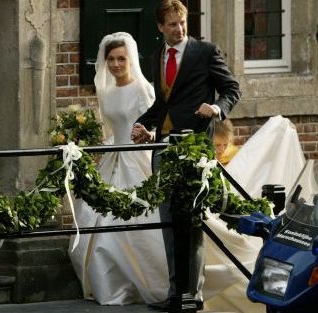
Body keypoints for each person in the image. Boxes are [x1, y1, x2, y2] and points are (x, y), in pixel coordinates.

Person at [131, 0, 241, 309]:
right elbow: (163, 106)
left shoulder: (205, 52)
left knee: (190, 225)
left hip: (194, 152)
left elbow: (232, 88)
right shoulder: (158, 57)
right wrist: (144, 124)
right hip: (164, 149)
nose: (179, 29)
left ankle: (193, 296)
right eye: (172, 24)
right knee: (169, 223)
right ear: (160, 27)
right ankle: (175, 294)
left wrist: (217, 108)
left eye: (182, 23)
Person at [68, 32, 169, 305]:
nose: (115, 64)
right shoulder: (106, 90)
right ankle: (107, 282)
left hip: (136, 159)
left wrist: (147, 136)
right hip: (112, 158)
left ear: (130, 59)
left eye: (121, 59)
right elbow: (111, 129)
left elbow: (154, 125)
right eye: (111, 59)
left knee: (133, 218)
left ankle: (137, 283)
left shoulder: (142, 89)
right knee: (98, 213)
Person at [203, 115, 305, 312]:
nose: (221, 149)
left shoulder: (235, 156)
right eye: (216, 145)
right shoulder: (209, 160)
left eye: (224, 144)